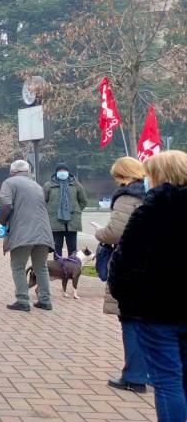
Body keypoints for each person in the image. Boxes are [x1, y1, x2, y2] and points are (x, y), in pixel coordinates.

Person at [110, 150, 187, 422]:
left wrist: (127, 300)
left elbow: (123, 264)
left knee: (168, 380)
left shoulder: (151, 212)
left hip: (158, 311)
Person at [96, 156, 149, 393]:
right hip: (153, 265)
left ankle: (134, 375)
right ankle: (148, 372)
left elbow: (116, 232)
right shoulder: (151, 193)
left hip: (131, 266)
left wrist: (100, 234)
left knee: (131, 321)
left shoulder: (127, 197)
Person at [0, 160, 54, 313]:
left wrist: (2, 220)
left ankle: (22, 300)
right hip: (43, 233)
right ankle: (45, 300)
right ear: (27, 171)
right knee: (41, 267)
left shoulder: (9, 183)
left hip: (23, 232)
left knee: (18, 266)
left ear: (12, 171)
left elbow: (5, 204)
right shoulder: (36, 185)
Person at [43, 162, 88, 258]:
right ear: (56, 172)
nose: (62, 172)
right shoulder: (48, 185)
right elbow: (43, 201)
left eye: (64, 170)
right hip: (55, 222)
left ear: (68, 172)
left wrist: (76, 211)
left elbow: (83, 201)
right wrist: (50, 212)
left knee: (72, 249)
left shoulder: (76, 185)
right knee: (56, 248)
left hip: (72, 223)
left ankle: (71, 268)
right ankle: (58, 269)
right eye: (60, 171)